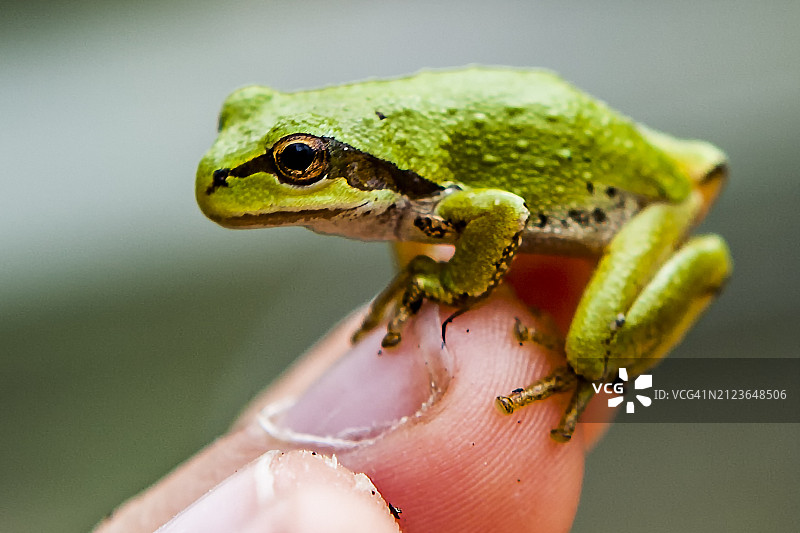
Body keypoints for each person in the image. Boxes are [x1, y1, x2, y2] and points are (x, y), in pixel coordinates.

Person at [95, 254, 611, 533]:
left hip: (628, 216)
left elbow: (504, 210)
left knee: (586, 350)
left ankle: (590, 368)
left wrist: (459, 280)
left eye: (298, 160)